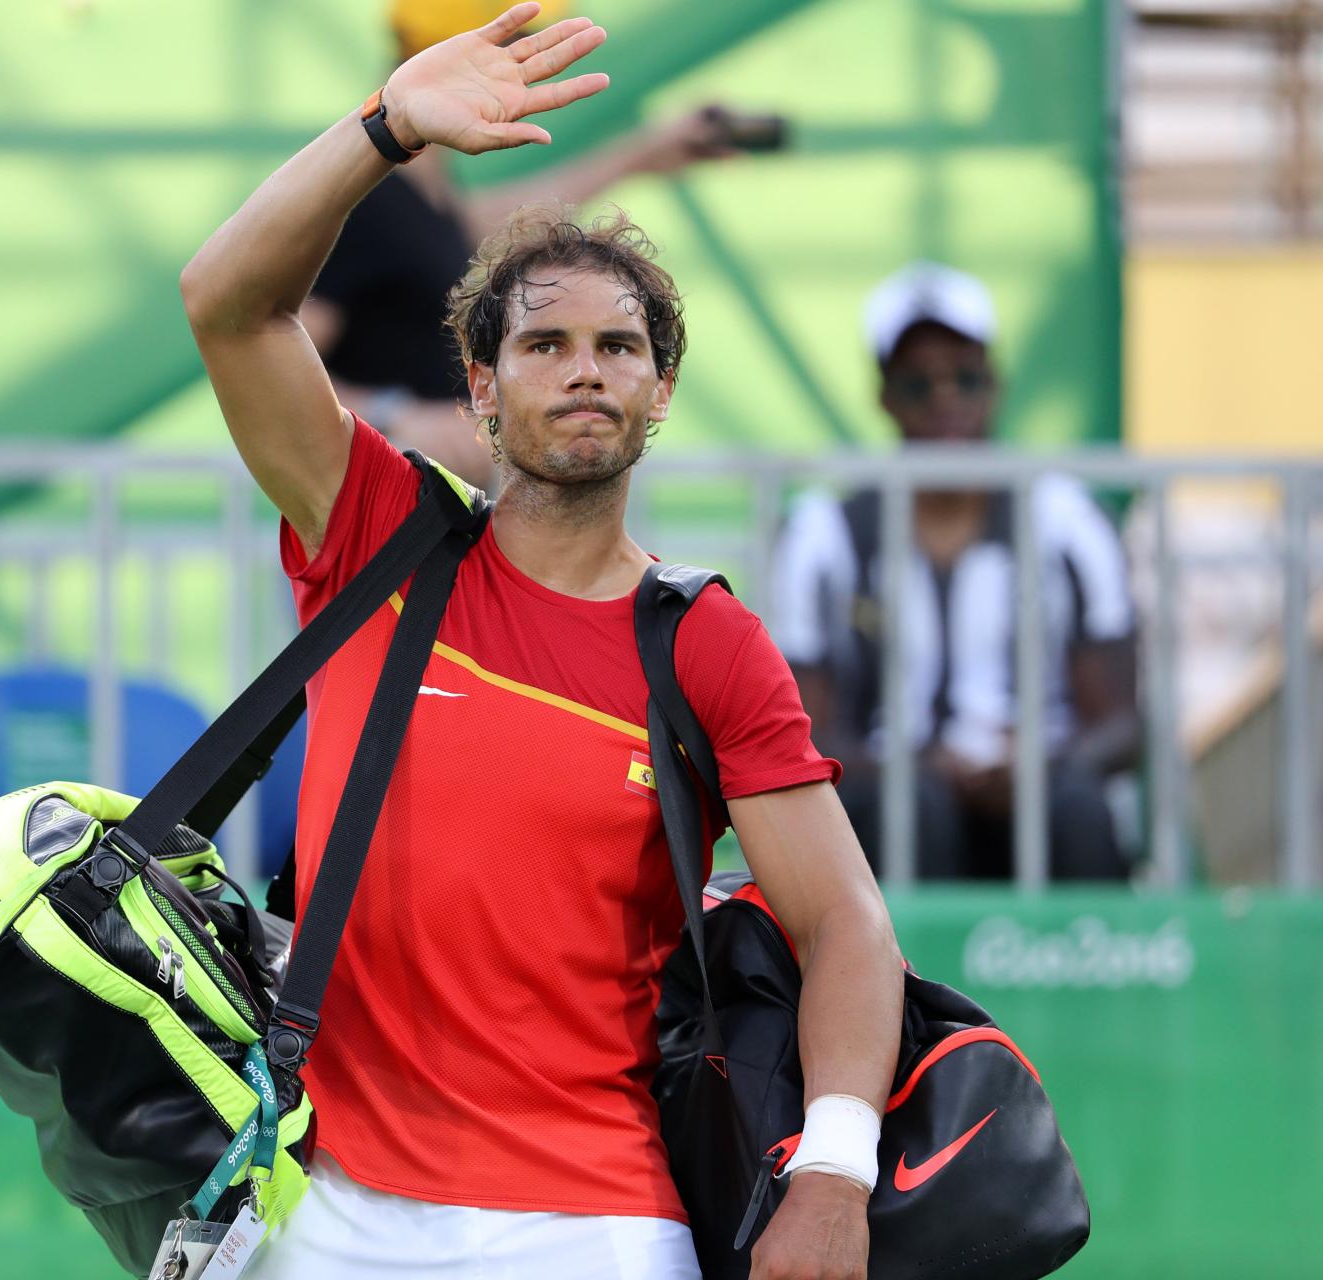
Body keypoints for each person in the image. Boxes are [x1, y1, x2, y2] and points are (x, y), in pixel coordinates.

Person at [179, 7, 902, 1277]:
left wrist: (834, 1175)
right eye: (543, 344)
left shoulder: (706, 639)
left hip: (596, 1222)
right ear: (478, 386)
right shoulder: (373, 532)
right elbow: (226, 304)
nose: (584, 371)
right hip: (323, 1200)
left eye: (618, 346)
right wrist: (385, 127)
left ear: (657, 391)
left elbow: (843, 921)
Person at [771, 262, 1141, 882]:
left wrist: (1037, 764)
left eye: (965, 379)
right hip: (891, 793)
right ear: (885, 396)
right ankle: (899, 983)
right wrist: (917, 768)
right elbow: (801, 728)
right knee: (910, 809)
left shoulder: (1067, 520)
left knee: (1076, 810)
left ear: (994, 385)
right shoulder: (826, 531)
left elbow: (1123, 725)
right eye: (919, 384)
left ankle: (1089, 976)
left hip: (1041, 785)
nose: (946, 401)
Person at [302, 0, 751, 487]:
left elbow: (499, 223)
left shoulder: (421, 197)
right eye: (514, 48)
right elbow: (280, 361)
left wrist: (643, 155)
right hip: (372, 515)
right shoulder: (372, 203)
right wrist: (393, 415)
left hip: (420, 504)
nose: (525, 72)